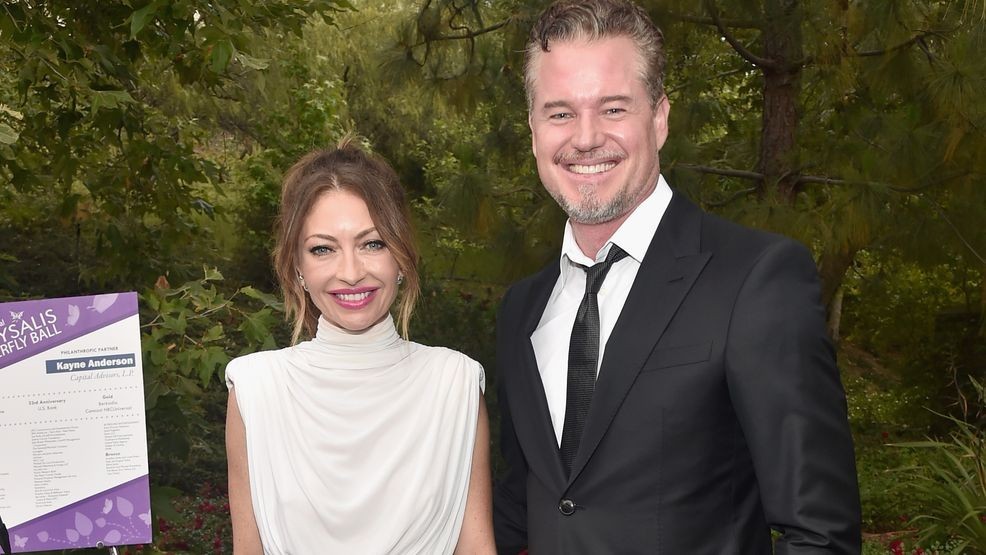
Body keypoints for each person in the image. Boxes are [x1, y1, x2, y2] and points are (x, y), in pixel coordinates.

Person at [492, 0, 862, 552]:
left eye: (613, 109)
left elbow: (821, 534)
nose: (586, 137)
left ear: (660, 118)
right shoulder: (522, 310)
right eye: (560, 112)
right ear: (533, 131)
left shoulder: (756, 280)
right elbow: (525, 507)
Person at [225, 136, 496, 554]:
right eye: (322, 249)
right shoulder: (255, 389)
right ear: (297, 267)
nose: (350, 272)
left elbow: (477, 548)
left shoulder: (455, 383)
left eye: (372, 244)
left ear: (401, 256)